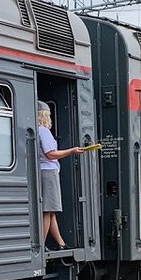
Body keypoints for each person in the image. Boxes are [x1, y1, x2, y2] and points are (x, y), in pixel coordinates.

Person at [36, 101, 82, 250]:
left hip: (42, 172)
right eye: (49, 115)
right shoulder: (43, 131)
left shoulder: (35, 130)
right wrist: (72, 151)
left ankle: (61, 243)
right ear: (44, 115)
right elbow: (51, 154)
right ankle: (41, 245)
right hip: (49, 173)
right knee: (47, 211)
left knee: (51, 211)